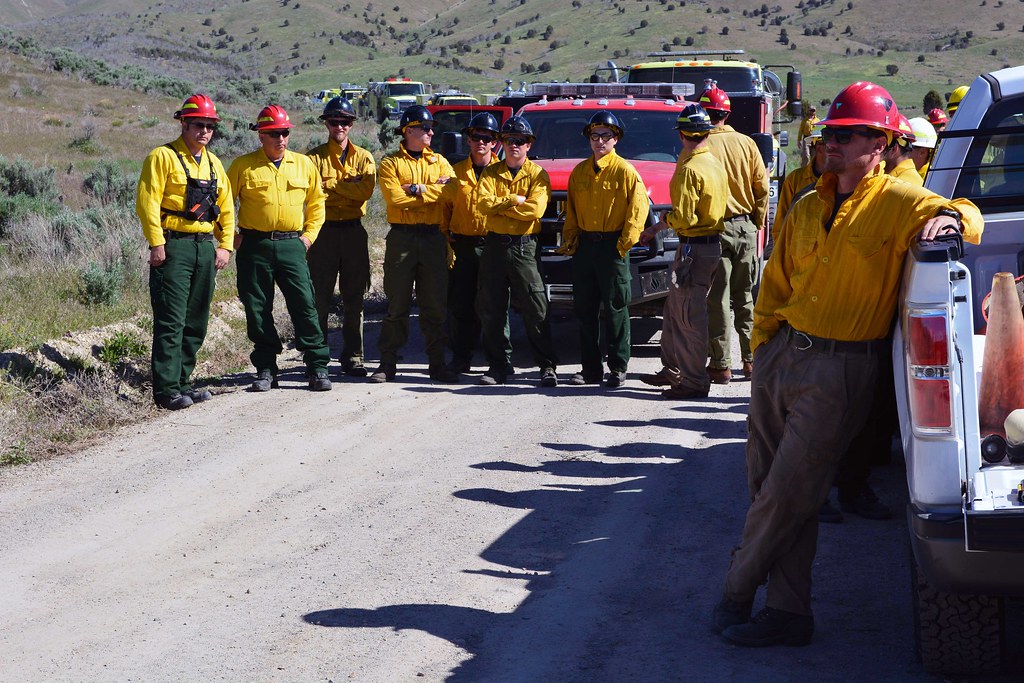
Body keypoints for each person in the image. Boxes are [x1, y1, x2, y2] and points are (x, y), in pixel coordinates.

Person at [711, 81, 983, 648]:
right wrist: (763, 349)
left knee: (789, 491)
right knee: (769, 488)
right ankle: (788, 615)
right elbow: (776, 284)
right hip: (784, 354)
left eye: (848, 134)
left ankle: (736, 588)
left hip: (841, 369)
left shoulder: (900, 201)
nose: (832, 142)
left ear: (881, 144)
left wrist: (953, 221)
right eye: (831, 133)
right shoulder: (809, 204)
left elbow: (964, 213)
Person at [136, 94, 235, 410]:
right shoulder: (161, 157)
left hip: (205, 248)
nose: (204, 131)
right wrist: (157, 242)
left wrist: (225, 245)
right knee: (171, 318)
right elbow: (147, 202)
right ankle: (166, 389)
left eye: (210, 126)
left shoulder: (215, 163)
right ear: (183, 123)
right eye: (198, 125)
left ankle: (183, 382)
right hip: (174, 246)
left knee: (196, 319)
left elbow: (226, 208)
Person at [227, 104, 332, 393]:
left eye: (284, 132)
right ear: (261, 135)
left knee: (305, 305)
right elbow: (222, 204)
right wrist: (229, 237)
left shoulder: (303, 164)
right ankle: (266, 368)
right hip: (254, 245)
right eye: (273, 133)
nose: (280, 139)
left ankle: (317, 366)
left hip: (292, 244)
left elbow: (317, 204)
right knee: (258, 308)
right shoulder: (243, 165)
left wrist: (308, 237)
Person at [636, 104, 727, 399]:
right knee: (674, 311)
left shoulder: (689, 169)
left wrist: (661, 223)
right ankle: (673, 371)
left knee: (689, 316)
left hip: (694, 250)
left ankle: (693, 381)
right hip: (706, 248)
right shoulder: (713, 162)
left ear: (682, 135)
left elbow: (685, 218)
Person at [558, 111, 647, 388]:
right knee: (585, 310)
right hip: (585, 246)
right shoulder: (580, 172)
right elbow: (570, 211)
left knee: (616, 308)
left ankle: (618, 368)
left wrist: (624, 244)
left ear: (616, 138)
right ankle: (590, 369)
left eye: (606, 136)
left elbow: (638, 210)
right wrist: (570, 240)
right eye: (595, 136)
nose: (600, 141)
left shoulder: (626, 171)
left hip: (612, 247)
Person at [373, 105, 458, 384]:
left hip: (433, 237)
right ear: (409, 130)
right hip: (402, 238)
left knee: (434, 305)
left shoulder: (441, 162)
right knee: (396, 303)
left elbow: (452, 192)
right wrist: (434, 189)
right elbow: (395, 199)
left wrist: (417, 188)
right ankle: (387, 364)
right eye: (425, 127)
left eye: (431, 127)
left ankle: (437, 364)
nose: (431, 132)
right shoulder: (390, 163)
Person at [476, 115, 559, 387]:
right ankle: (498, 366)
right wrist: (513, 200)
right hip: (495, 245)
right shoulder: (490, 173)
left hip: (525, 247)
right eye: (510, 140)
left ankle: (547, 367)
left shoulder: (538, 175)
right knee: (492, 308)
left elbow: (535, 210)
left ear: (529, 145)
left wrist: (501, 207)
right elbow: (482, 205)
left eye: (520, 141)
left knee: (536, 307)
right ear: (501, 143)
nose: (514, 145)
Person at [700, 81, 770, 384]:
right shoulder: (747, 143)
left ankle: (720, 365)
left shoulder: (699, 145)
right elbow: (762, 188)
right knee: (745, 297)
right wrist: (756, 221)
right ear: (726, 114)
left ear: (703, 112)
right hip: (744, 227)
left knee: (718, 298)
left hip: (714, 229)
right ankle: (751, 361)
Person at [306, 97, 377, 377]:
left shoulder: (365, 157)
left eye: (345, 121)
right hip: (322, 233)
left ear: (352, 124)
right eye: (334, 121)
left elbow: (366, 191)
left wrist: (332, 185)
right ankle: (318, 357)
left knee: (354, 298)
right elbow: (314, 195)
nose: (340, 126)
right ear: (326, 123)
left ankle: (354, 356)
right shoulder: (313, 158)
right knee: (319, 298)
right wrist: (349, 185)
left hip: (353, 232)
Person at [439, 112, 505, 374]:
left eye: (486, 138)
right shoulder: (455, 173)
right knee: (461, 305)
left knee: (493, 306)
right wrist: (446, 241)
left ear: (494, 142)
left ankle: (497, 361)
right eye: (476, 136)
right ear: (468, 139)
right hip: (463, 246)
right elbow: (444, 211)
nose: (481, 142)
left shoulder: (504, 173)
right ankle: (461, 357)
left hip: (494, 245)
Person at [773, 129, 823, 231]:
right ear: (817, 147)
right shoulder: (795, 179)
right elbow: (781, 221)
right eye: (825, 143)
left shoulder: (843, 180)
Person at [883, 114, 924, 187]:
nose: (875, 151)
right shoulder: (910, 179)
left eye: (880, 144)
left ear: (894, 148)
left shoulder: (897, 186)